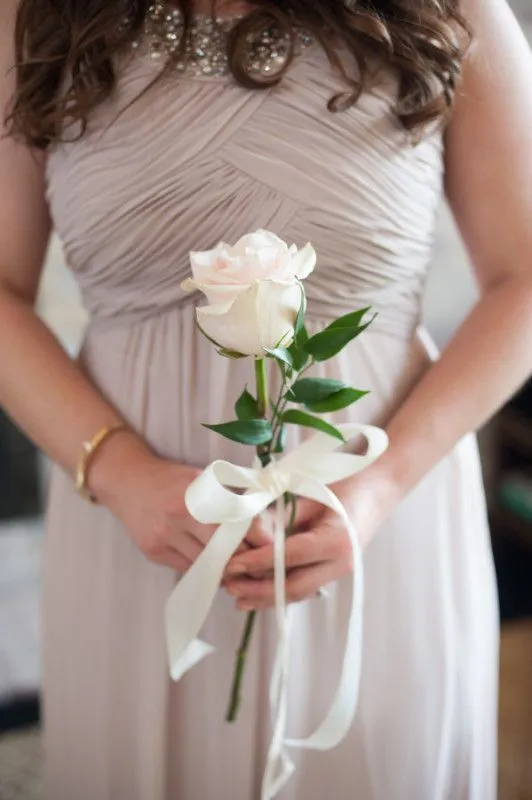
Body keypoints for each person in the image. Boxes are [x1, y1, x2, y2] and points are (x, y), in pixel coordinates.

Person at [1, 0, 531, 797]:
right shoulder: (31, 16)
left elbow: (526, 280)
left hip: (379, 518)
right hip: (130, 529)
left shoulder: (451, 9)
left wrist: (382, 485)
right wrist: (119, 472)